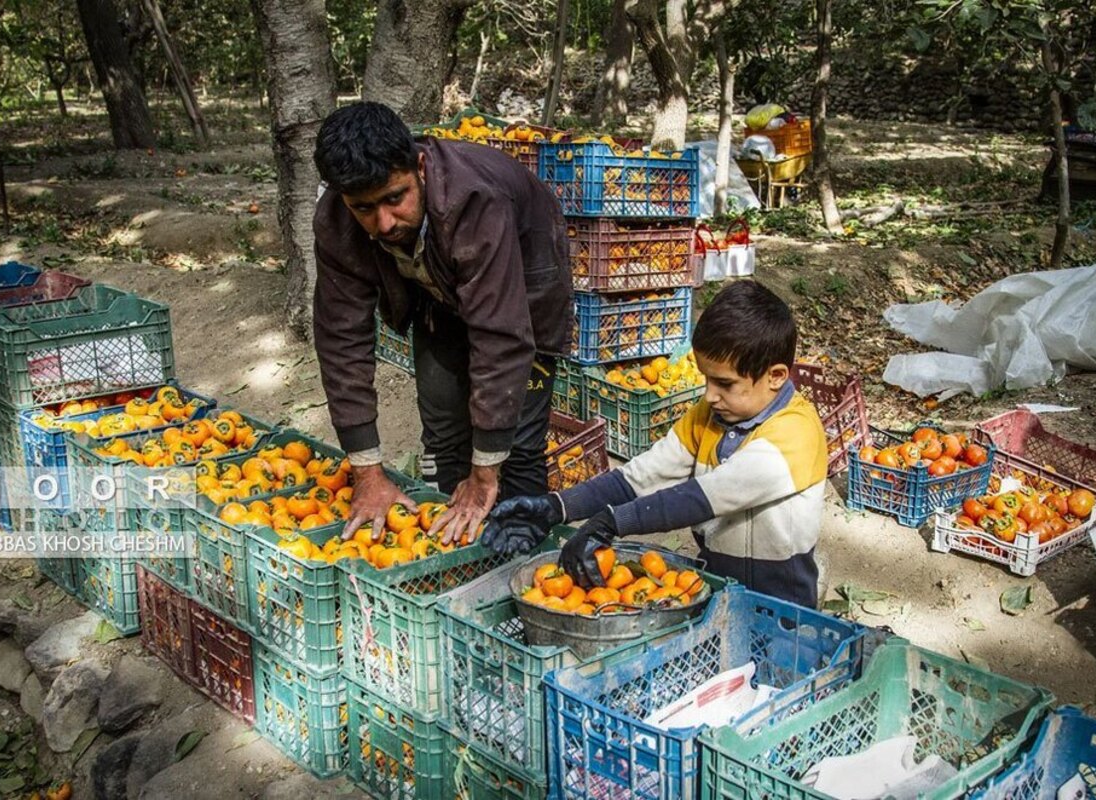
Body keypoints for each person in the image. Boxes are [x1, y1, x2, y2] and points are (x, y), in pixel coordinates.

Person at [311, 101, 573, 545]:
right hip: (435, 292)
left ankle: (524, 551)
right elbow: (341, 340)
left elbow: (500, 337)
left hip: (523, 290)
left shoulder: (474, 200)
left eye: (395, 198)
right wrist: (367, 472)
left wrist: (485, 474)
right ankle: (451, 542)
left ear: (419, 166)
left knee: (518, 444)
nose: (384, 222)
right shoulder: (338, 219)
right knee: (444, 431)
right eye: (364, 208)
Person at [484, 280, 828, 608]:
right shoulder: (708, 416)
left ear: (776, 376)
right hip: (716, 587)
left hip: (783, 604)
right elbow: (640, 477)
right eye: (706, 379)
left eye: (725, 384)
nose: (710, 395)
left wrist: (610, 522)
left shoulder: (795, 433)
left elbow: (702, 498)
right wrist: (557, 506)